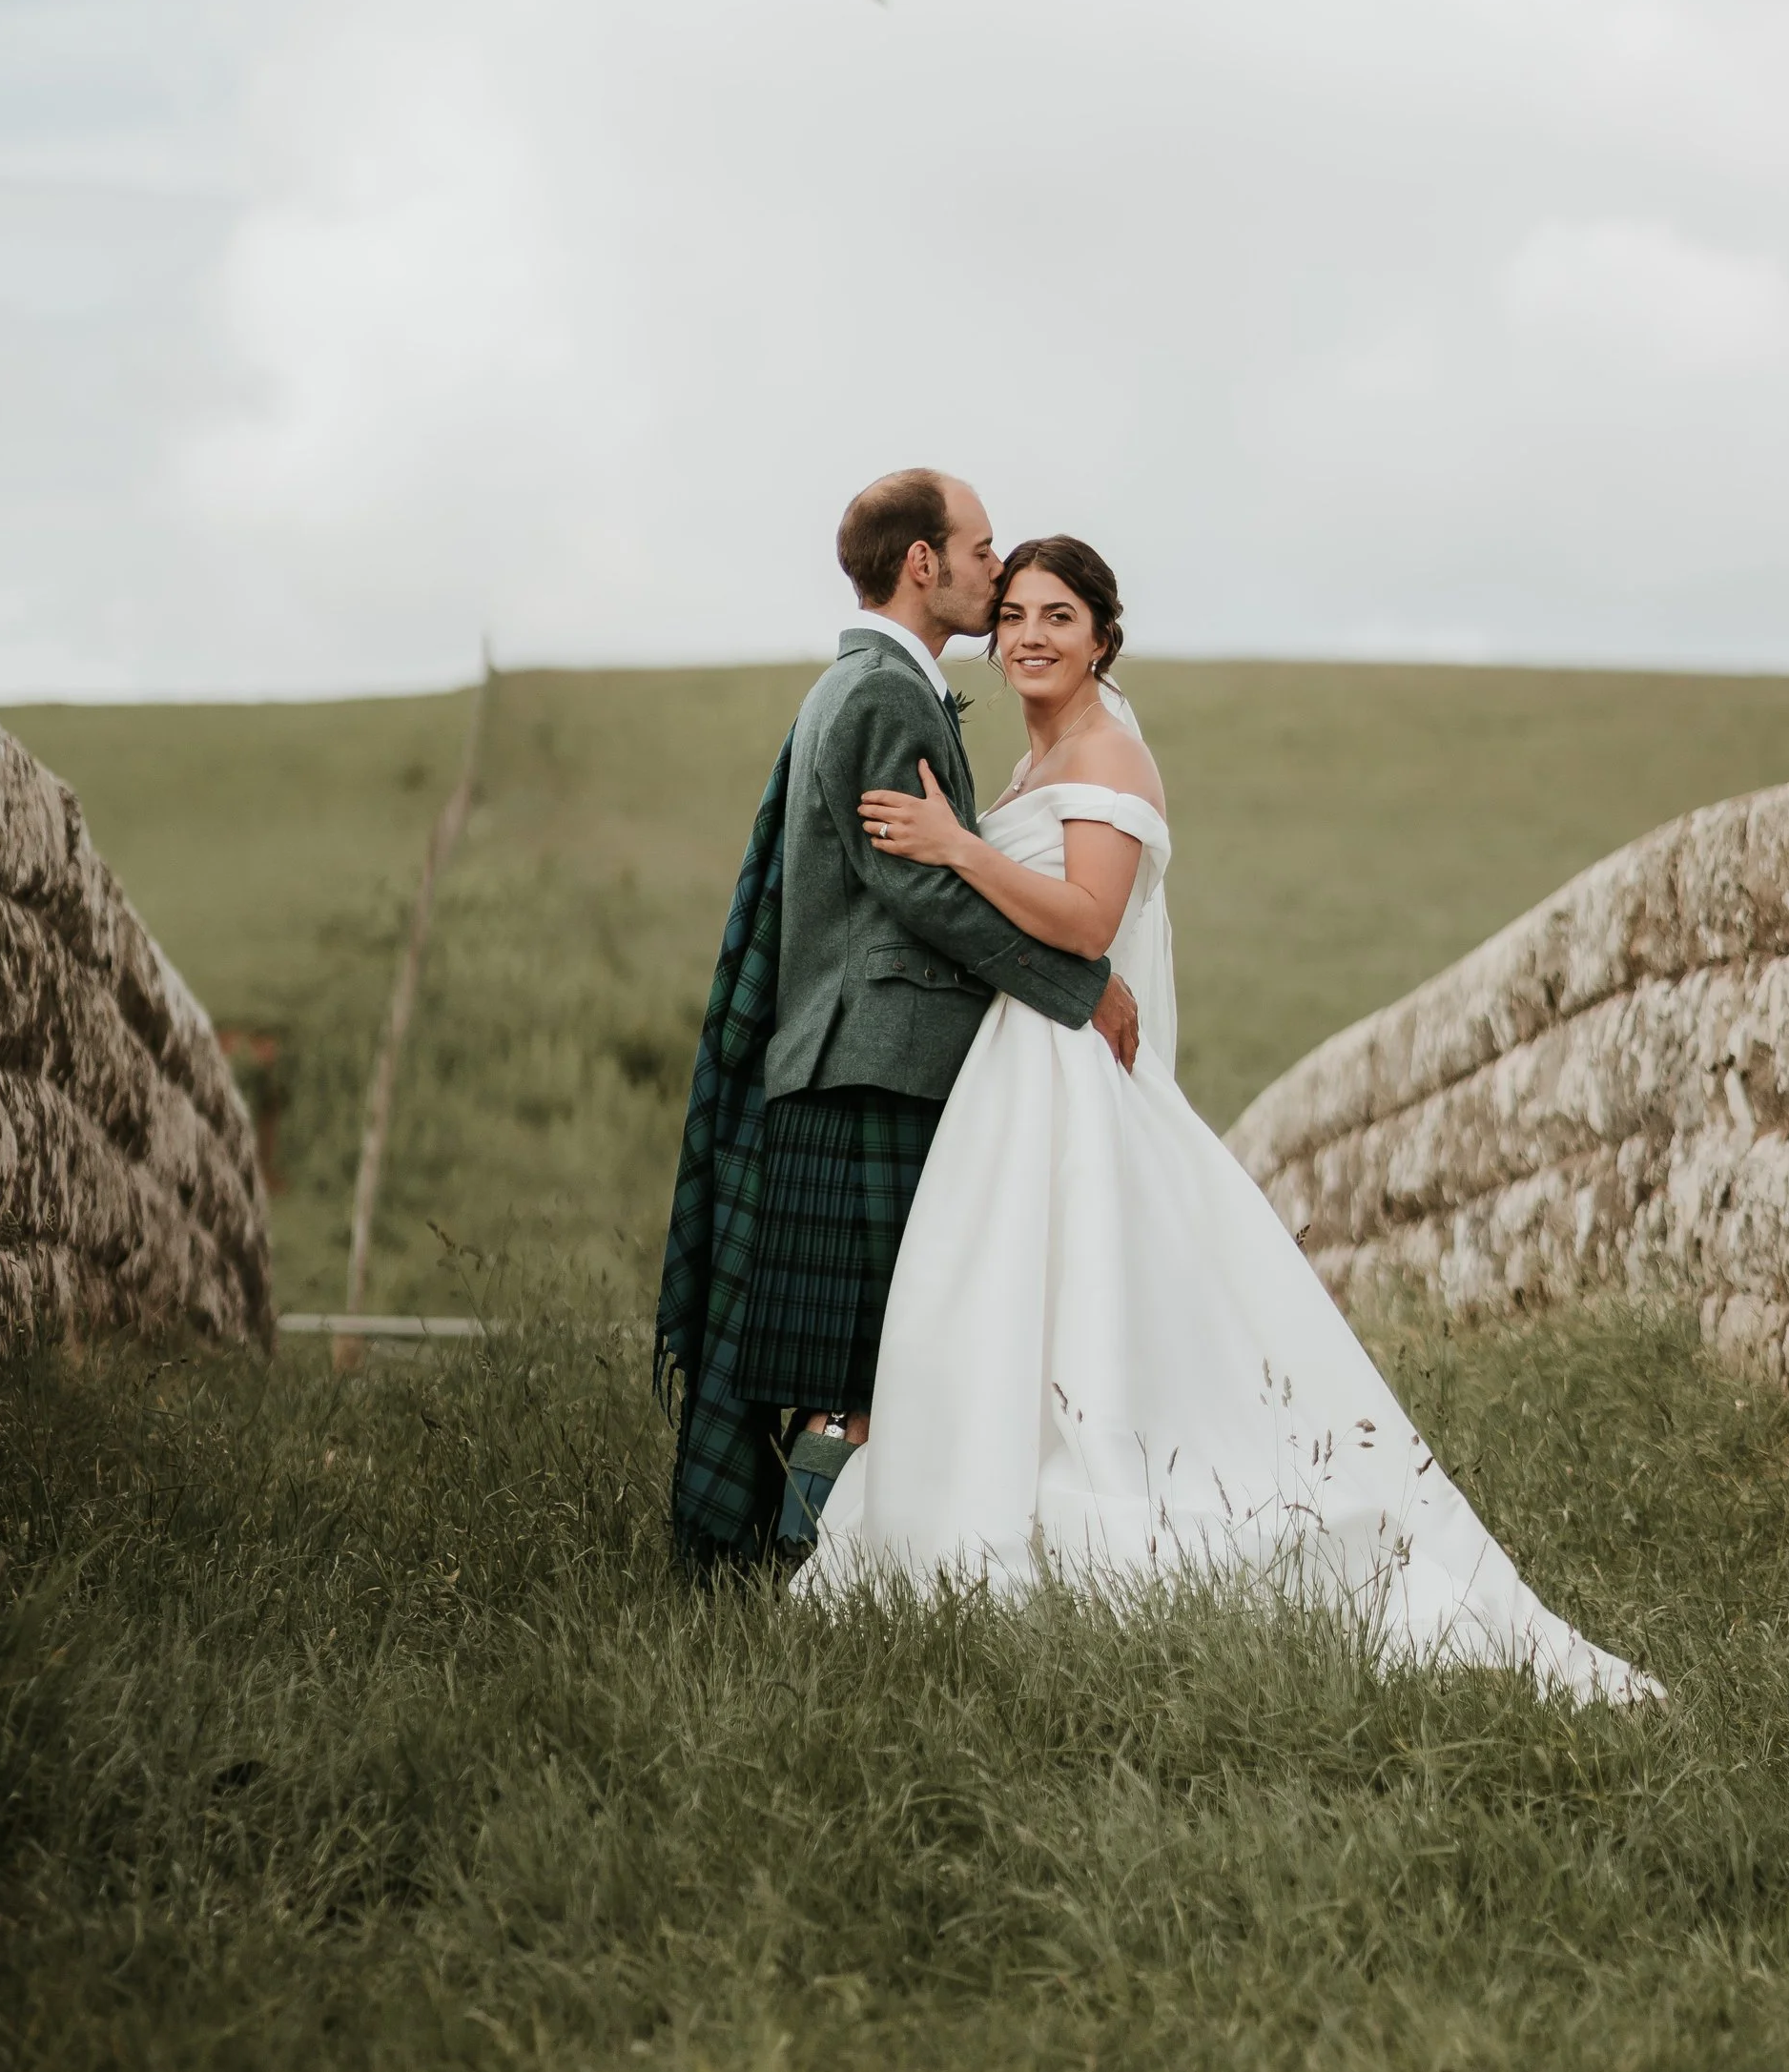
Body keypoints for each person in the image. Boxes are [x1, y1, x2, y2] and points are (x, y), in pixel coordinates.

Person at [795, 533, 1658, 1705]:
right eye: (1013, 618)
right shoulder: (1031, 764)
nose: (1030, 637)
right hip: (1016, 1068)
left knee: (1085, 1295)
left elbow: (1088, 924)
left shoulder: (1107, 755)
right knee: (996, 1295)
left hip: (1068, 1070)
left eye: (1059, 616)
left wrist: (952, 846)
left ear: (1104, 635)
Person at [655, 471, 1138, 1574]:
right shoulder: (880, 695)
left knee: (859, 1364)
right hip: (872, 1062)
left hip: (864, 1056)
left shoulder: (876, 685)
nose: (993, 570)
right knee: (858, 1374)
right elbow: (914, 889)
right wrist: (1080, 987)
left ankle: (791, 1576)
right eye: (979, 553)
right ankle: (791, 1581)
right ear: (922, 562)